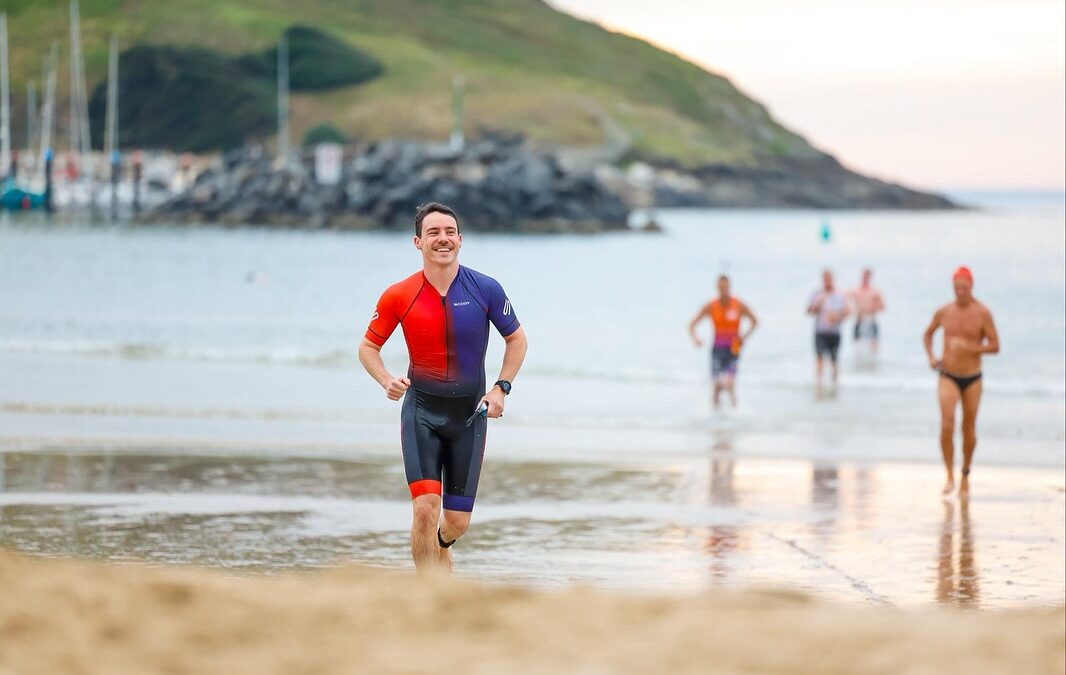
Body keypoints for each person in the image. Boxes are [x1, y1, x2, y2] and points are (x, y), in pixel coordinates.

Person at [357, 202, 528, 573]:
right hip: (421, 412)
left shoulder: (486, 289)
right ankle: (427, 595)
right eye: (433, 232)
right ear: (417, 242)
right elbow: (368, 348)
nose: (443, 239)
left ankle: (441, 547)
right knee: (424, 509)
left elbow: (517, 340)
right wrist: (386, 379)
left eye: (449, 232)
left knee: (455, 523)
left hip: (469, 416)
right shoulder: (399, 294)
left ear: (461, 240)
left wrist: (501, 388)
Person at [922, 266, 999, 496]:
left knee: (969, 428)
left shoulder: (982, 313)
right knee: (947, 424)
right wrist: (932, 357)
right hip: (948, 374)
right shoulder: (944, 311)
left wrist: (970, 347)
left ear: (971, 286)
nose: (960, 292)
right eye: (956, 288)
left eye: (964, 288)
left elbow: (995, 346)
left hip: (973, 377)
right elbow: (927, 334)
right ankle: (948, 475)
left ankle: (965, 473)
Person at [689, 275, 758, 408]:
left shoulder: (738, 305)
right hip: (717, 349)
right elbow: (692, 325)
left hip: (733, 349)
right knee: (716, 386)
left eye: (725, 287)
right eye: (721, 287)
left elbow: (755, 322)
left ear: (729, 287)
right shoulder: (711, 306)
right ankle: (716, 417)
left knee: (729, 384)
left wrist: (744, 337)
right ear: (717, 288)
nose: (723, 290)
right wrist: (696, 338)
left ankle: (734, 414)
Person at [806, 269, 849, 389]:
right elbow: (808, 311)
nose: (827, 282)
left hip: (834, 332)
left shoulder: (839, 295)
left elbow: (847, 312)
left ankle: (835, 383)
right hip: (820, 331)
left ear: (832, 279)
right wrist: (817, 305)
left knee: (834, 359)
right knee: (819, 357)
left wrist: (837, 317)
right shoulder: (817, 294)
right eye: (825, 279)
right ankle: (819, 383)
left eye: (829, 279)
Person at [848, 268, 885, 356]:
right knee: (857, 348)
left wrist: (870, 308)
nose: (865, 279)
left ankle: (872, 367)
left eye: (866, 277)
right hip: (859, 321)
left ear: (870, 278)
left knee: (873, 348)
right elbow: (846, 302)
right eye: (863, 277)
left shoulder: (875, 291)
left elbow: (882, 306)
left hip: (871, 320)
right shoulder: (856, 290)